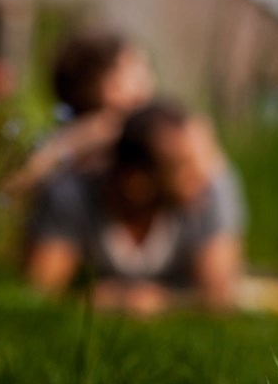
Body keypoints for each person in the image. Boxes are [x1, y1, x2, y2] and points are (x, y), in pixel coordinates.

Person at [24, 100, 246, 314]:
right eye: (183, 167)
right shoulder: (71, 195)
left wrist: (163, 302)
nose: (202, 177)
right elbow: (41, 290)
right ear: (137, 183)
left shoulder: (209, 190)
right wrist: (107, 299)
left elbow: (219, 296)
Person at [3, 30, 155, 198]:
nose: (149, 78)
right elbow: (17, 182)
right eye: (137, 67)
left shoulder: (68, 141)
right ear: (112, 87)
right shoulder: (112, 131)